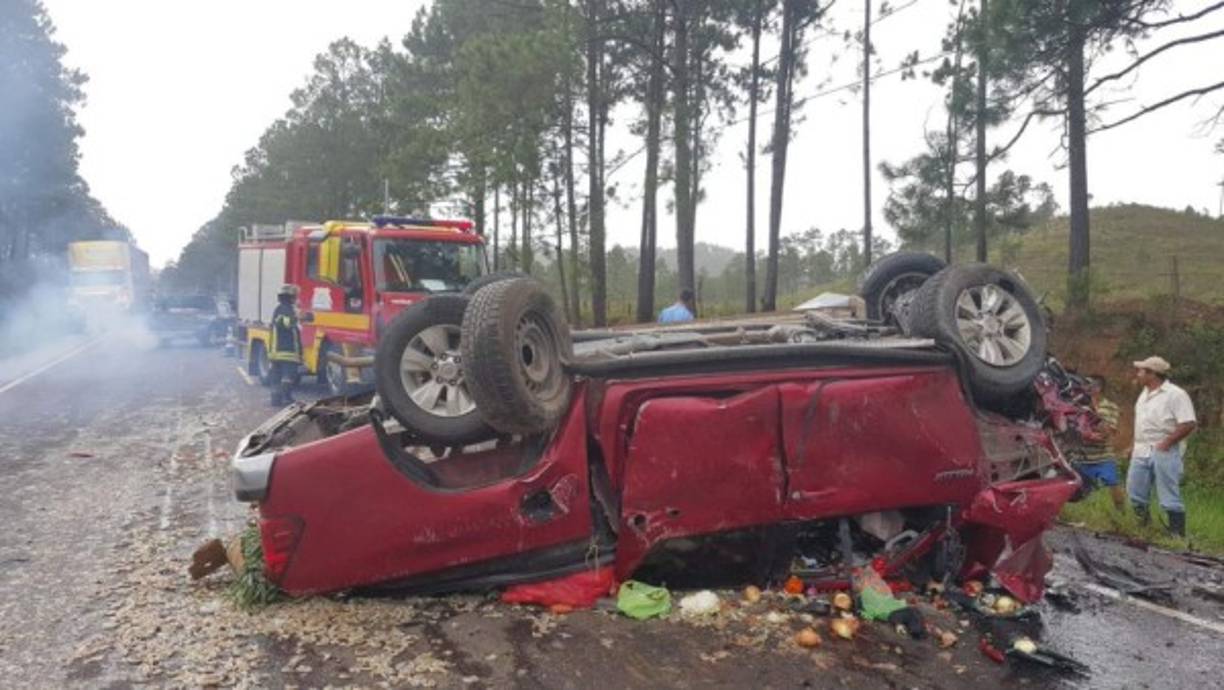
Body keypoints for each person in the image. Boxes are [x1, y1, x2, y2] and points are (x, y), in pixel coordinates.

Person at [1127, 356, 1197, 537]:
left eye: (1142, 371)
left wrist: (1167, 442)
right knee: (1135, 491)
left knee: (1168, 493)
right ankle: (1143, 527)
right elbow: (1142, 423)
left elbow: (1188, 423)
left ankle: (1177, 533)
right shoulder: (1144, 394)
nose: (1138, 374)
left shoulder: (1176, 394)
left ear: (1152, 374)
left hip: (1164, 447)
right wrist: (1133, 445)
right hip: (1142, 448)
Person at [1076, 375, 1125, 511]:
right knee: (1077, 489)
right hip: (1081, 456)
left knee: (1113, 484)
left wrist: (1091, 417)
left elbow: (1106, 433)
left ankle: (1121, 514)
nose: (1086, 388)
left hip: (1103, 456)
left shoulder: (1109, 407)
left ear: (1099, 388)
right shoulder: (1077, 405)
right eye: (1085, 385)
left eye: (1090, 385)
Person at [268, 284, 303, 406]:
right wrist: (297, 317)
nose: (296, 299)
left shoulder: (279, 308)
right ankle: (286, 398)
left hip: (276, 352)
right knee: (288, 376)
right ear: (291, 298)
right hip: (287, 352)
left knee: (276, 377)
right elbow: (286, 323)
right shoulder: (286, 309)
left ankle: (275, 399)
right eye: (295, 297)